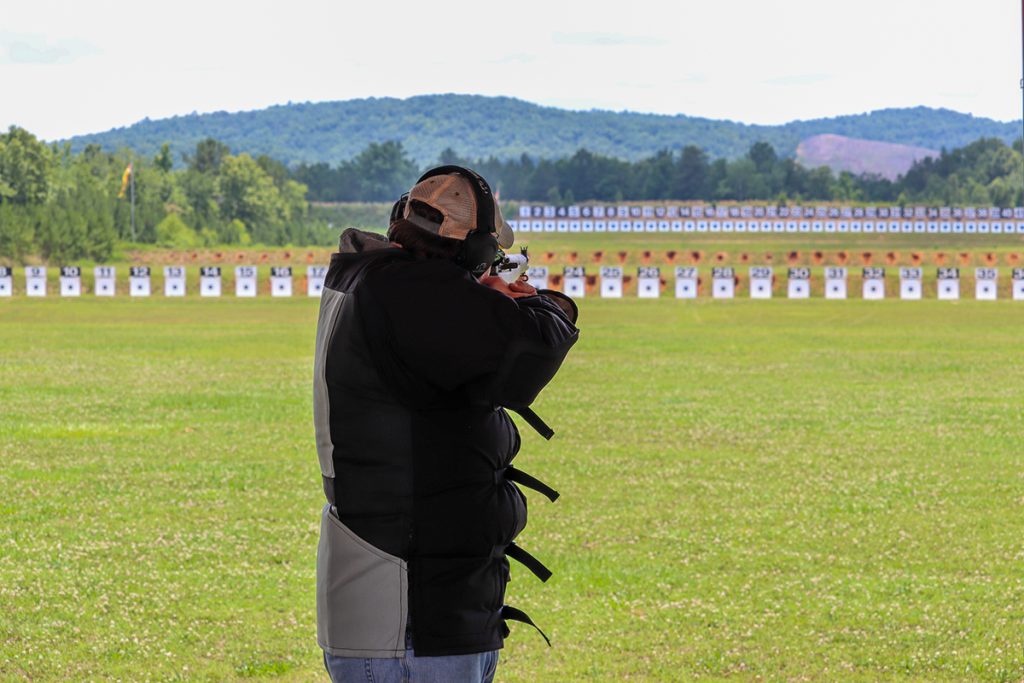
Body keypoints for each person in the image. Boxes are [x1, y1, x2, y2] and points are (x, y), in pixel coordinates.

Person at [312, 166, 579, 682]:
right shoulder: (408, 292)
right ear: (474, 250)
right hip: (411, 621)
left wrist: (487, 295)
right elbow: (530, 351)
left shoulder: (379, 279)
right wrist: (541, 301)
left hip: (416, 608)